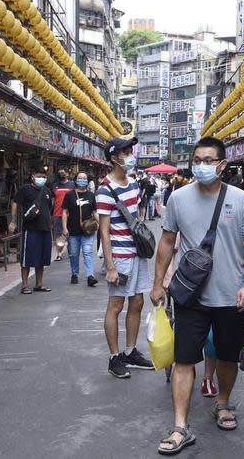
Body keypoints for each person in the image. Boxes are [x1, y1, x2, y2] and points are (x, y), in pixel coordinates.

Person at [151, 137, 244, 455]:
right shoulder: (178, 199)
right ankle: (181, 426)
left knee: (227, 357)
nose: (202, 165)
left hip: (230, 295)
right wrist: (158, 283)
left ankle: (222, 404)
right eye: (197, 159)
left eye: (209, 160)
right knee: (184, 360)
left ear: (222, 165)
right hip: (190, 295)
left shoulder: (240, 200)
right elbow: (167, 243)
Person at [97, 137, 154, 378]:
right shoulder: (104, 190)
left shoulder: (132, 184)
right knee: (116, 305)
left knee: (138, 302)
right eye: (125, 152)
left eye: (130, 150)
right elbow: (104, 231)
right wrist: (110, 267)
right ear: (114, 158)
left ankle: (130, 352)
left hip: (137, 254)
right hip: (119, 257)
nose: (130, 154)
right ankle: (114, 357)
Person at [10, 168, 54, 294]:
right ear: (33, 175)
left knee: (42, 257)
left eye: (43, 176)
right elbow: (15, 203)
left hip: (45, 228)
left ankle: (39, 284)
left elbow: (49, 207)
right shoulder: (25, 189)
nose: (42, 178)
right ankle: (24, 285)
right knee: (27, 258)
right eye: (39, 175)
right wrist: (13, 221)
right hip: (31, 228)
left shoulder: (46, 191)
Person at [62, 171, 99, 287]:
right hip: (73, 230)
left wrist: (101, 224)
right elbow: (64, 212)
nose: (82, 180)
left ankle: (90, 276)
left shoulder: (91, 195)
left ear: (87, 181)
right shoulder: (69, 195)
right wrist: (64, 228)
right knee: (74, 254)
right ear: (76, 180)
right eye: (80, 178)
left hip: (88, 230)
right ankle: (74, 273)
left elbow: (95, 212)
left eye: (84, 178)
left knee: (88, 252)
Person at [51, 169, 75, 261]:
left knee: (70, 233)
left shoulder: (72, 185)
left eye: (63, 172)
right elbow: (53, 200)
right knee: (57, 234)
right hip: (57, 213)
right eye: (60, 172)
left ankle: (71, 252)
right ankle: (59, 254)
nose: (61, 174)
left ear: (67, 174)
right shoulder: (55, 185)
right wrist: (50, 212)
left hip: (70, 214)